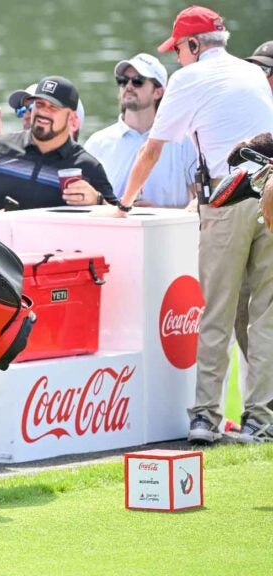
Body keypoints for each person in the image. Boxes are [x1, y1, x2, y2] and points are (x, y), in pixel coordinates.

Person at [116, 6, 273, 444]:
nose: (178, 60)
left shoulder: (189, 79)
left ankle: (205, 415)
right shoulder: (251, 74)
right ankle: (262, 419)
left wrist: (123, 204)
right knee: (265, 314)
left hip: (231, 193)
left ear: (193, 45)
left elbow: (152, 151)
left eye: (179, 51)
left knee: (216, 310)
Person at [0, 76, 116, 215]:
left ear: (72, 119)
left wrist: (97, 200)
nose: (43, 112)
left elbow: (120, 217)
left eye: (53, 107)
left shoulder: (88, 167)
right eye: (39, 104)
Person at [83, 53, 197, 208]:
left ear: (158, 92)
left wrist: (159, 214)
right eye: (122, 81)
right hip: (114, 230)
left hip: (168, 232)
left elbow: (203, 204)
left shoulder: (184, 141)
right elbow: (83, 201)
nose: (128, 86)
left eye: (138, 81)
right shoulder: (97, 143)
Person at [0, 83, 86, 142]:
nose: (26, 115)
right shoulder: (17, 163)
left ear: (72, 121)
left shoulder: (87, 171)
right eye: (22, 110)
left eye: (34, 107)